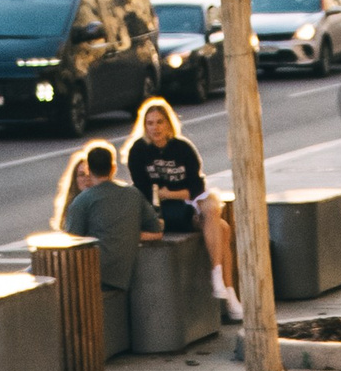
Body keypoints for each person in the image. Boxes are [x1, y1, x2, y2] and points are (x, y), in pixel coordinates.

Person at [125, 95, 238, 320]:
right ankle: (229, 294)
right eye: (150, 123)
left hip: (186, 205)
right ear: (144, 126)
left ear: (168, 124)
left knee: (214, 212)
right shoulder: (138, 151)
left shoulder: (183, 148)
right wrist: (170, 195)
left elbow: (196, 187)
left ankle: (220, 279)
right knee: (223, 228)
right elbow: (145, 191)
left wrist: (170, 193)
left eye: (159, 122)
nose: (155, 128)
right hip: (161, 212)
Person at [58, 142, 156, 294]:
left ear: (89, 170)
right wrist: (127, 234)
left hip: (93, 277)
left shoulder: (82, 201)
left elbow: (71, 247)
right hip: (122, 277)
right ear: (113, 168)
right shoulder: (133, 194)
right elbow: (157, 232)